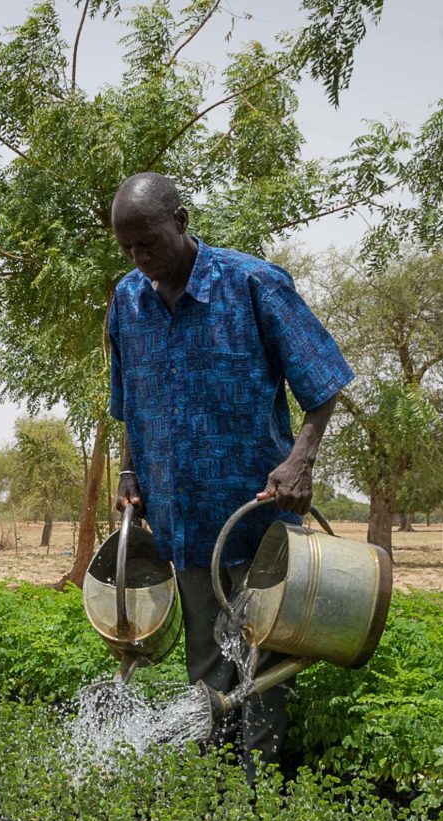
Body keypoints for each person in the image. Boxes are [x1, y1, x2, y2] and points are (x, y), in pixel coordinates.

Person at [106, 171, 351, 772]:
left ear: (182, 222)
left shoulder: (253, 284)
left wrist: (301, 459)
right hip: (180, 517)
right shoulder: (128, 300)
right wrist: (130, 473)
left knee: (263, 653)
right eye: (128, 248)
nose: (140, 258)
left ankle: (259, 784)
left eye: (149, 242)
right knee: (207, 655)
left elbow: (323, 382)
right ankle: (215, 783)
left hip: (255, 510)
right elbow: (129, 402)